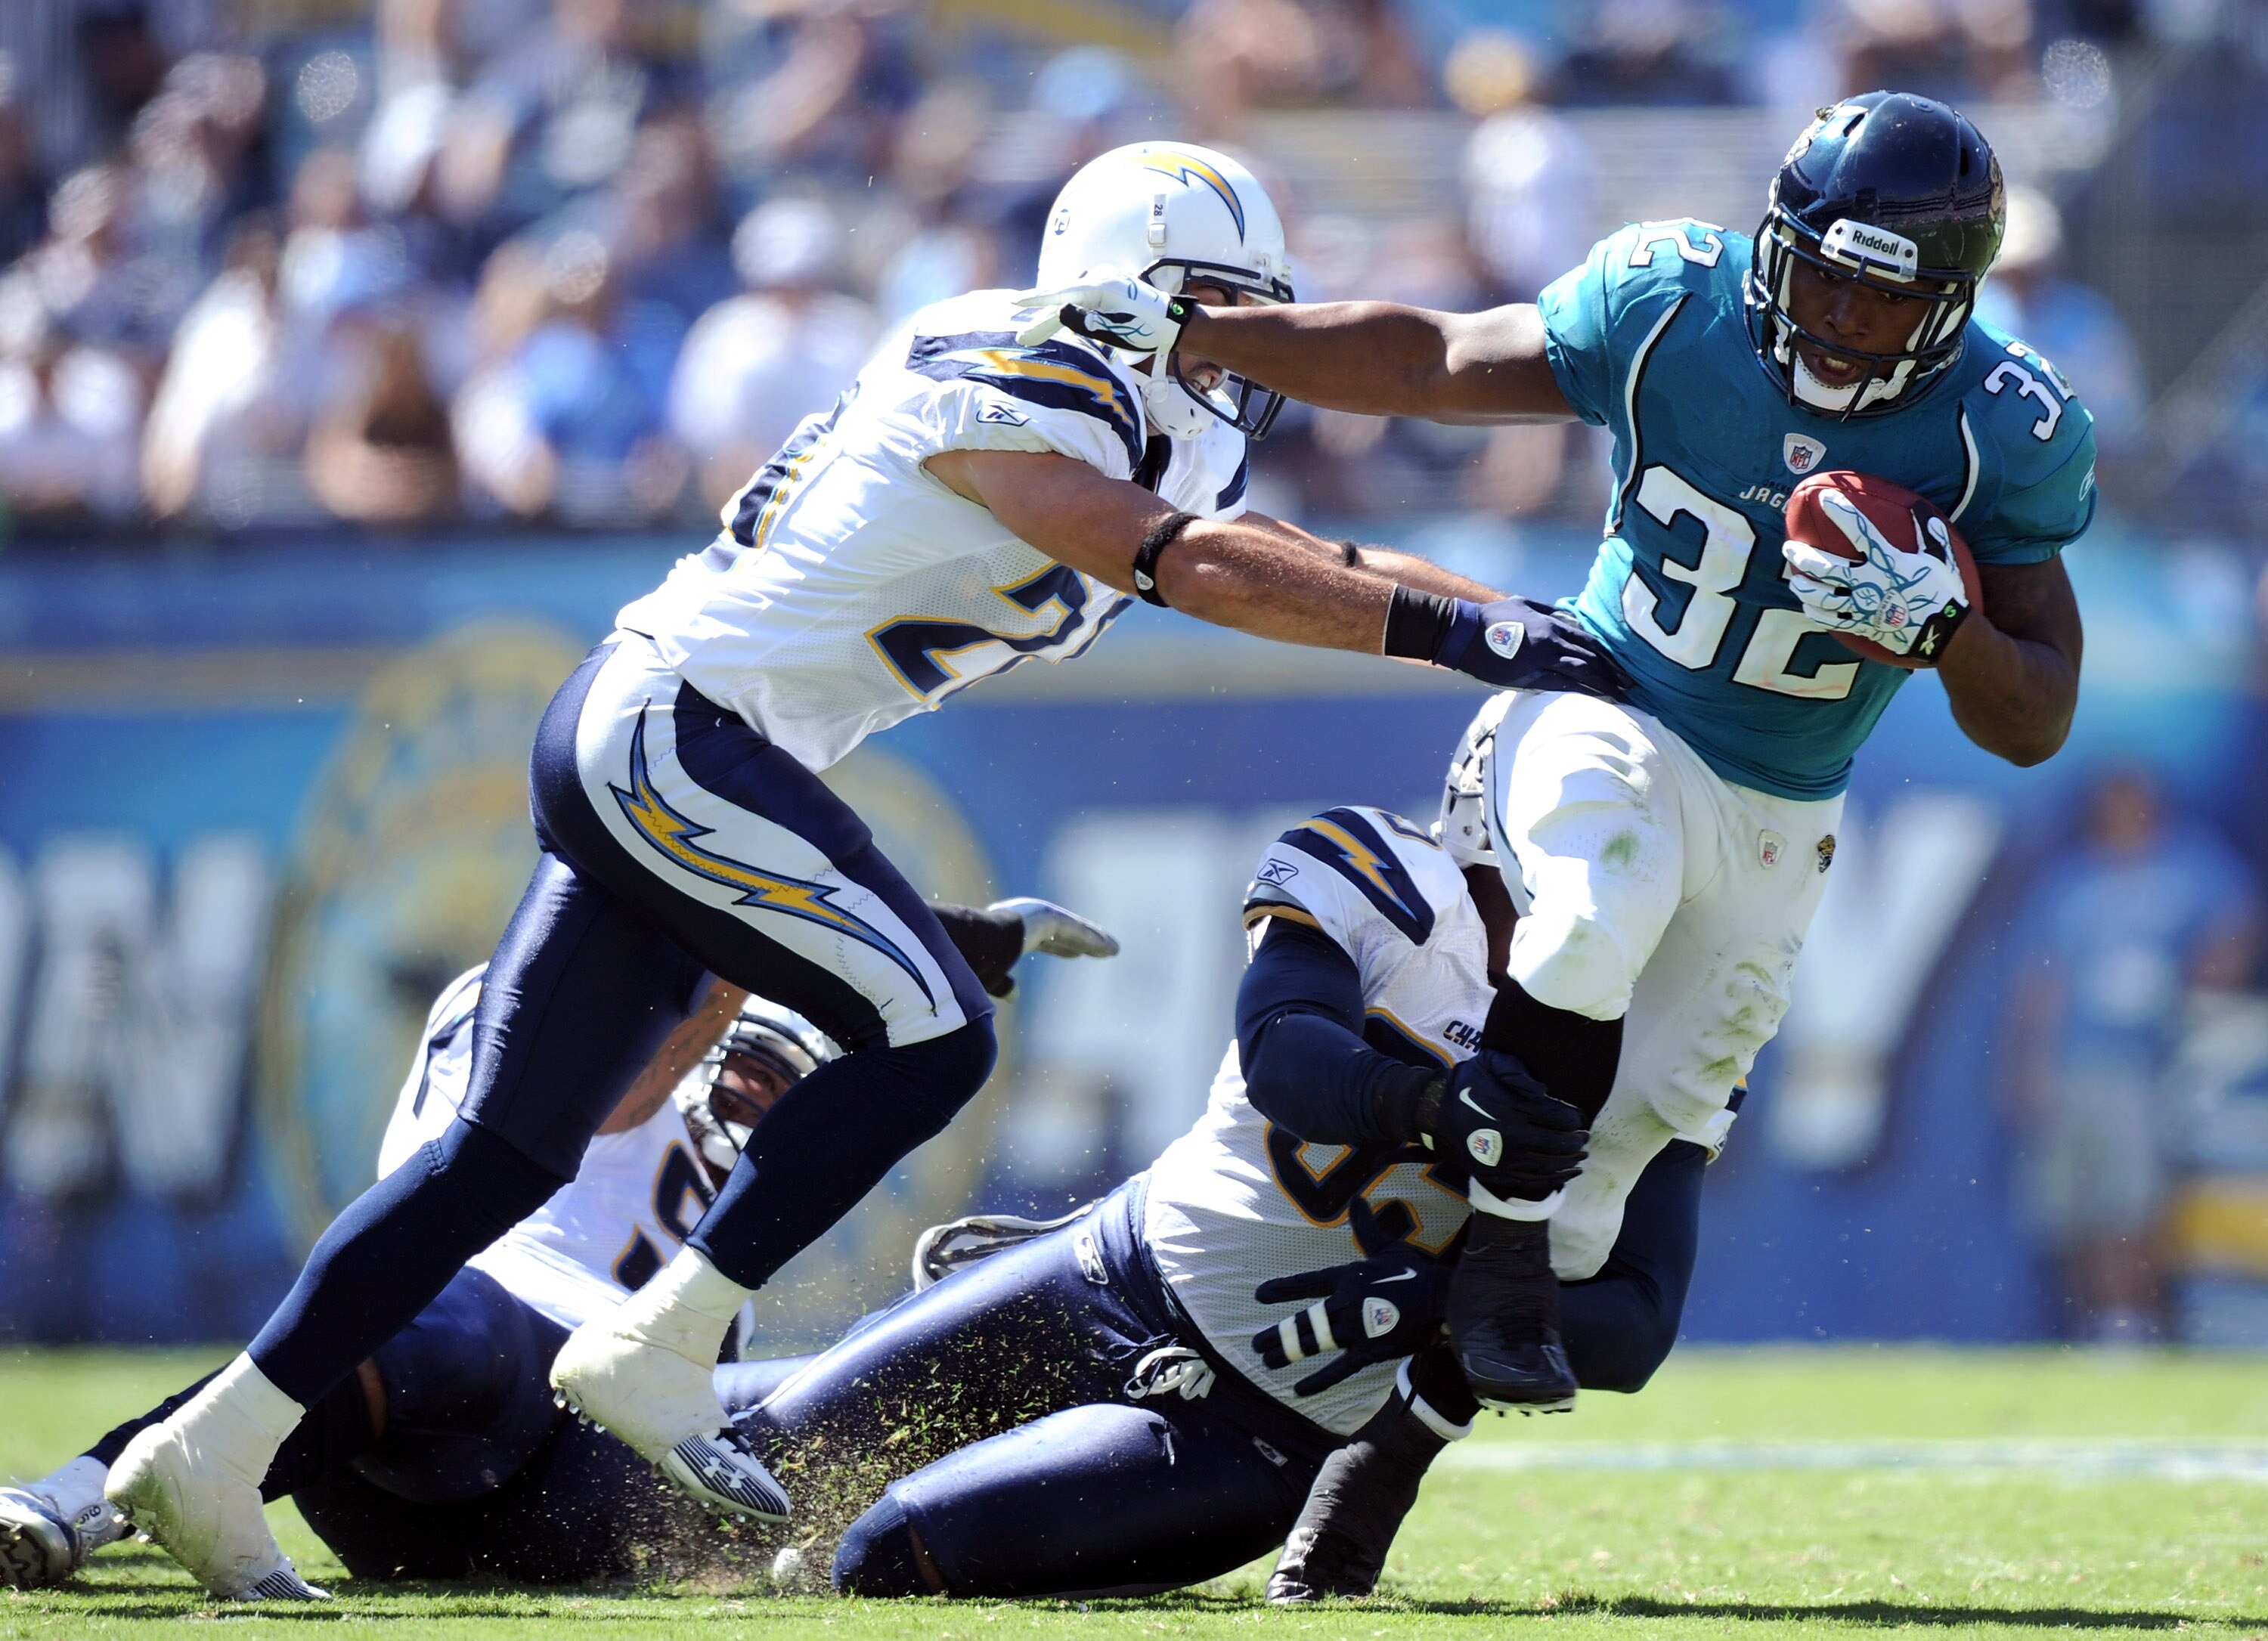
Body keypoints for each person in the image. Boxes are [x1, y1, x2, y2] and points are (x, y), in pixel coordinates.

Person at [105, 139, 1625, 1601]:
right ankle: (660, 1342)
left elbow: (1278, 540)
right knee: (934, 1032)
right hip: (683, 730)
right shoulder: (1011, 375)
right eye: (1224, 308)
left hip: (703, 741)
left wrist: (1522, 612)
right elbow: (1179, 557)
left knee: (504, 1153)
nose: (1253, 346)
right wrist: (1455, 637)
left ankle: (209, 1445)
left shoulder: (1155, 408)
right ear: (1125, 288)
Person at [1023, 89, 2093, 1589]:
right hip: (1604, 701)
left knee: (1600, 1242)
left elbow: (2035, 707)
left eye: (1884, 292)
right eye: (1824, 274)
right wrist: (1217, 336)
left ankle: (1392, 1441)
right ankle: (1487, 1254)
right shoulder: (1674, 304)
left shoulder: (2002, 424)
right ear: (1777, 245)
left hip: (1781, 808)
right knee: (1595, 906)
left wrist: (1945, 626)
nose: (1843, 318)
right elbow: (1442, 357)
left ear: (1953, 300)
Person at [731, 794, 1697, 1600]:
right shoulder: (1384, 877)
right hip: (1103, 1274)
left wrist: (1433, 1303)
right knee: (747, 1475)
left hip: (1251, 1433)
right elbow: (1286, 1050)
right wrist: (1438, 1103)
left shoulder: (1668, 1029)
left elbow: (1638, 1320)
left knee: (883, 1555)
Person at [0, 898, 1114, 1591]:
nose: (762, 1102)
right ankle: (75, 1496)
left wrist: (913, 1352)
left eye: (793, 1089)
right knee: (462, 1334)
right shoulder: (526, 1006)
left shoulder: (750, 1215)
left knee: (865, 1380)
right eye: (754, 1058)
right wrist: (862, 948)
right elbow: (624, 1091)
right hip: (434, 1387)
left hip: (557, 1496)